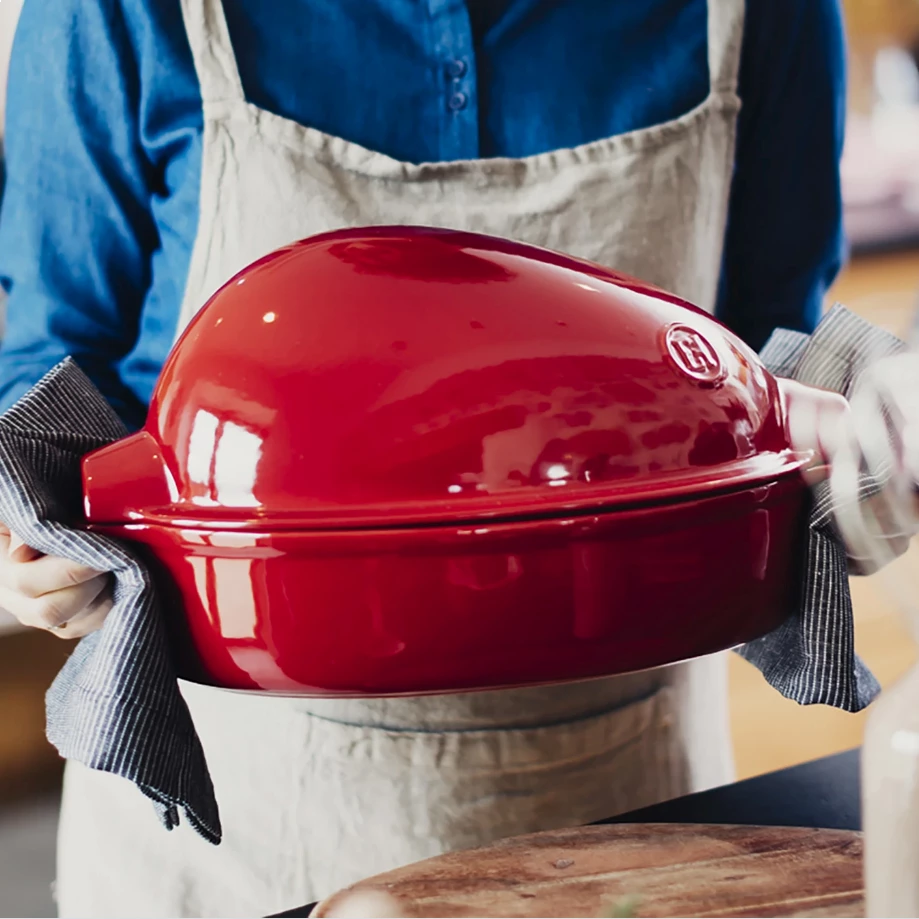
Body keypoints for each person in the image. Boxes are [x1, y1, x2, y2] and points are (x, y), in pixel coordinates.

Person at [0, 0, 854, 916]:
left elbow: (773, 364)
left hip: (628, 802)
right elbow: (45, 373)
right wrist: (40, 526)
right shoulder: (122, 12)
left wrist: (853, 456)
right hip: (237, 807)